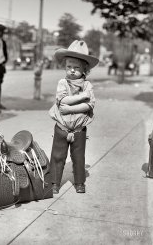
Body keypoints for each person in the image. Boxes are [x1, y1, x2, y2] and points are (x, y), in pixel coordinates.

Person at [49, 40, 99, 194]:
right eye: (69, 66)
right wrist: (81, 99)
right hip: (62, 128)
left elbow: (89, 105)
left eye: (76, 67)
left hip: (78, 129)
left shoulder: (87, 86)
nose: (71, 70)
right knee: (57, 156)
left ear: (85, 70)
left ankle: (79, 183)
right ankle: (54, 183)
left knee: (78, 158)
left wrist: (69, 108)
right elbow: (63, 101)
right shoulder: (62, 83)